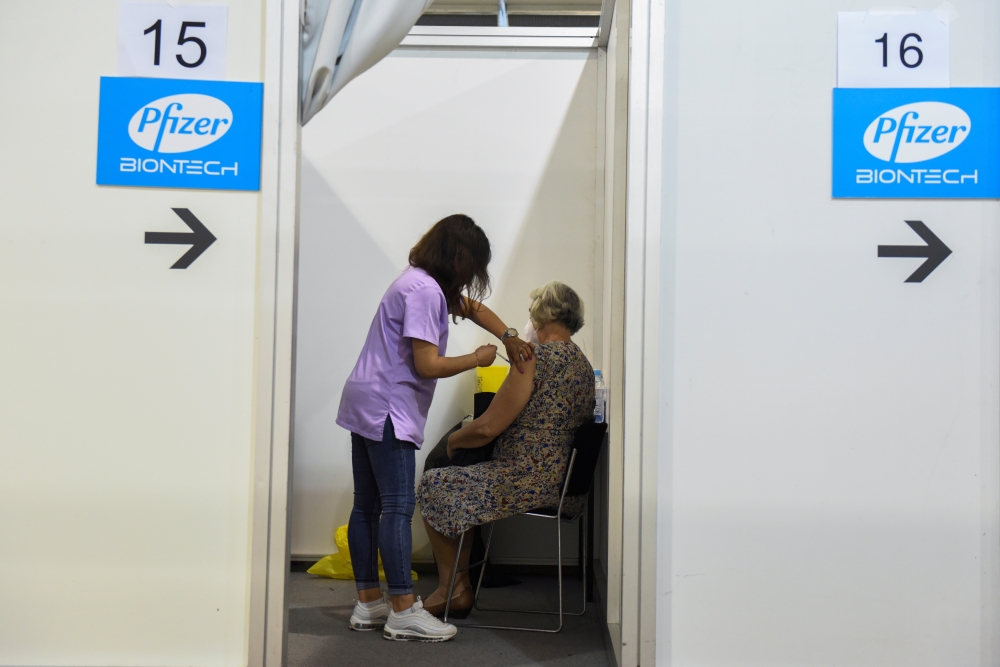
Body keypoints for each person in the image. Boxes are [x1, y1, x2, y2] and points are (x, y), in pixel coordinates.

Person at [336, 213, 533, 642]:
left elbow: (471, 307)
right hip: (388, 407)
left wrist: (509, 335)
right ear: (459, 258)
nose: (473, 277)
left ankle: (369, 602)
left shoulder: (417, 280)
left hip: (365, 398)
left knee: (367, 505)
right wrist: (478, 359)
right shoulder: (425, 292)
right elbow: (427, 365)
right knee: (397, 506)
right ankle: (404, 607)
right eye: (473, 265)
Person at [416, 281, 595, 617]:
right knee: (461, 485)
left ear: (540, 316)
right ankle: (461, 585)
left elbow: (487, 427)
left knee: (437, 482)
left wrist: (454, 440)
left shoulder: (532, 357)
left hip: (525, 481)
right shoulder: (583, 366)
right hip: (566, 486)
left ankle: (452, 589)